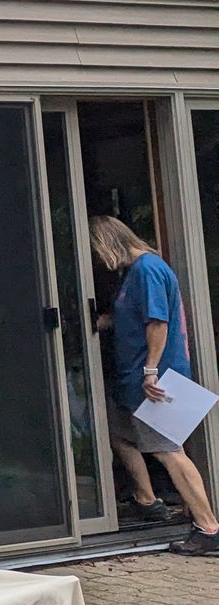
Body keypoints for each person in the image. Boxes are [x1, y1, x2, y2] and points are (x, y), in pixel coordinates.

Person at [90, 216, 219, 556]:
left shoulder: (148, 269)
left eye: (98, 250)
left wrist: (151, 371)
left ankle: (209, 528)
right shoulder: (137, 272)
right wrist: (108, 321)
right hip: (133, 379)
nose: (100, 259)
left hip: (155, 381)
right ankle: (148, 501)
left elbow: (157, 323)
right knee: (119, 434)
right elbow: (137, 315)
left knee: (169, 451)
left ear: (109, 243)